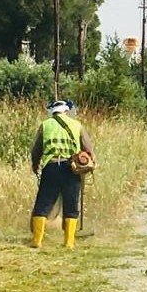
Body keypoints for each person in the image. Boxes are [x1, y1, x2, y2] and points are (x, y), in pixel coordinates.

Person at [29, 100, 96, 249]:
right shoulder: (77, 125)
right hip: (71, 169)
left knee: (44, 203)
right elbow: (88, 147)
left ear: (52, 111)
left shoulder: (45, 125)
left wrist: (35, 164)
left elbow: (36, 149)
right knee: (71, 204)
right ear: (66, 111)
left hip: (51, 167)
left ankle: (37, 241)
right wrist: (91, 163)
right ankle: (69, 242)